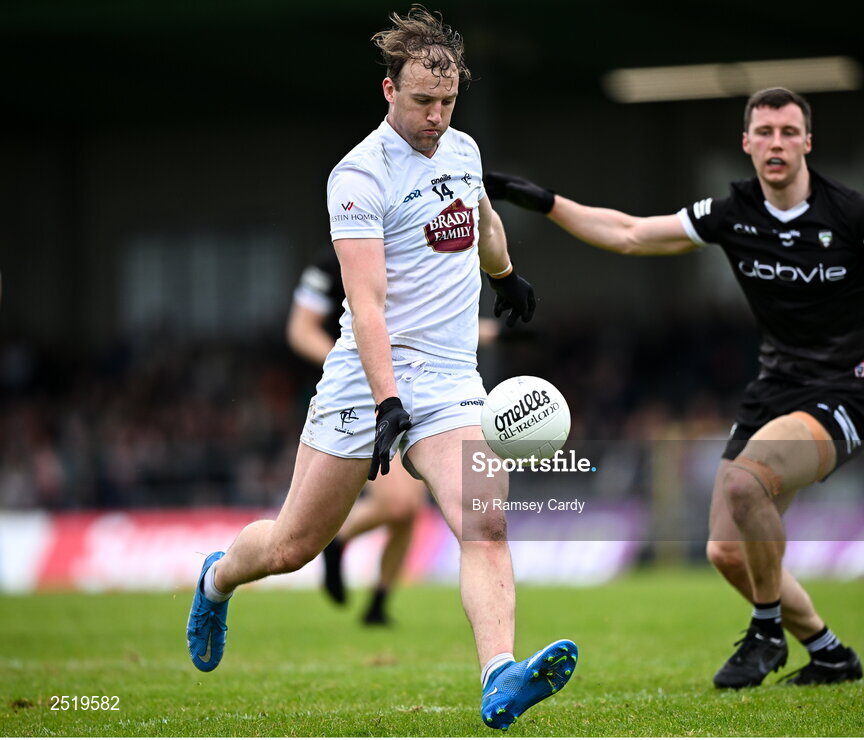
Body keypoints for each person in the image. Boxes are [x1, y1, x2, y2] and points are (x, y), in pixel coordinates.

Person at [484, 87, 864, 688]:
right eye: (764, 132)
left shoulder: (856, 217)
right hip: (775, 391)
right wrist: (543, 201)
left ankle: (766, 634)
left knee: (746, 486)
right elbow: (632, 234)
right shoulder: (734, 212)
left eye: (788, 132)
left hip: (846, 394)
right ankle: (829, 653)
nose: (776, 143)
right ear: (746, 143)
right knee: (726, 551)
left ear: (807, 143)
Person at [188, 6, 578, 730]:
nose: (436, 116)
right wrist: (386, 402)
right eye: (423, 101)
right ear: (388, 90)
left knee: (484, 522)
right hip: (364, 381)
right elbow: (365, 307)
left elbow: (483, 218)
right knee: (292, 546)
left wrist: (505, 275)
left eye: (448, 101)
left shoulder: (461, 147)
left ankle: (500, 676)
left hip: (454, 385)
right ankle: (216, 580)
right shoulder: (358, 176)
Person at [287, 245, 427, 625]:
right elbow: (301, 330)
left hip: (411, 388)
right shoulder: (328, 264)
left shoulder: (410, 250)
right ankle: (337, 537)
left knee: (409, 509)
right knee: (398, 504)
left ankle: (379, 603)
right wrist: (358, 361)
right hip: (356, 394)